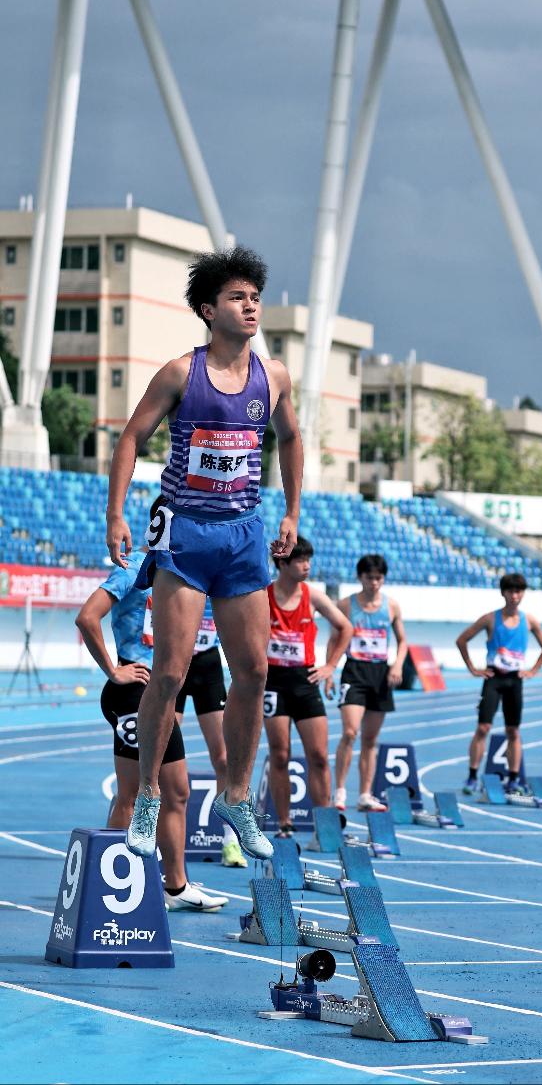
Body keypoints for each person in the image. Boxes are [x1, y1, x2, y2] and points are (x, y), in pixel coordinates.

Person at [105, 246, 302, 860]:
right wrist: (116, 512)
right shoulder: (178, 373)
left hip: (244, 534)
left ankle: (236, 796)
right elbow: (132, 437)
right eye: (237, 298)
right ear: (207, 309)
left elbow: (292, 438)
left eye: (254, 297)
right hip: (186, 535)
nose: (250, 307)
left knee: (256, 671)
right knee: (169, 670)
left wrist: (293, 510)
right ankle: (147, 802)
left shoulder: (274, 377)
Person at [76, 511, 227, 912]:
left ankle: (175, 887)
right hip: (133, 694)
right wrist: (114, 669)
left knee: (177, 791)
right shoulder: (131, 573)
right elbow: (86, 617)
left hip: (159, 696)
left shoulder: (179, 578)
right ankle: (102, 890)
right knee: (130, 793)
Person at [264, 536, 352, 832]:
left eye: (308, 560)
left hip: (305, 681)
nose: (307, 566)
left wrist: (330, 666)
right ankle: (284, 823)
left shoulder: (312, 596)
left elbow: (345, 627)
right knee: (280, 754)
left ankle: (324, 823)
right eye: (301, 560)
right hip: (274, 682)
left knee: (317, 756)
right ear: (282, 563)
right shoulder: (264, 595)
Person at [457, 573, 542, 796]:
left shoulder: (529, 621)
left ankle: (513, 778)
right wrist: (473, 668)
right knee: (483, 728)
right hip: (494, 679)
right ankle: (472, 776)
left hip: (515, 680)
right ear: (503, 593)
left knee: (513, 731)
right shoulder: (490, 619)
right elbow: (462, 640)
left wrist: (533, 670)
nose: (515, 596)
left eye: (519, 591)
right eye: (510, 591)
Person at [171, 594, 245, 867]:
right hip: (174, 661)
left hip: (207, 667)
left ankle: (229, 840)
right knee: (162, 758)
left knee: (224, 758)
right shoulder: (174, 568)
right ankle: (155, 837)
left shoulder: (214, 573)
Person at [333, 554, 408, 812]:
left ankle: (365, 794)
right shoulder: (346, 605)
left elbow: (403, 640)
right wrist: (330, 668)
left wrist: (397, 664)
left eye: (378, 578)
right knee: (350, 732)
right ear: (360, 577)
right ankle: (340, 791)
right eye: (369, 578)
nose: (374, 583)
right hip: (354, 671)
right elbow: (335, 639)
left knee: (370, 739)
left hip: (380, 674)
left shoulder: (392, 607)